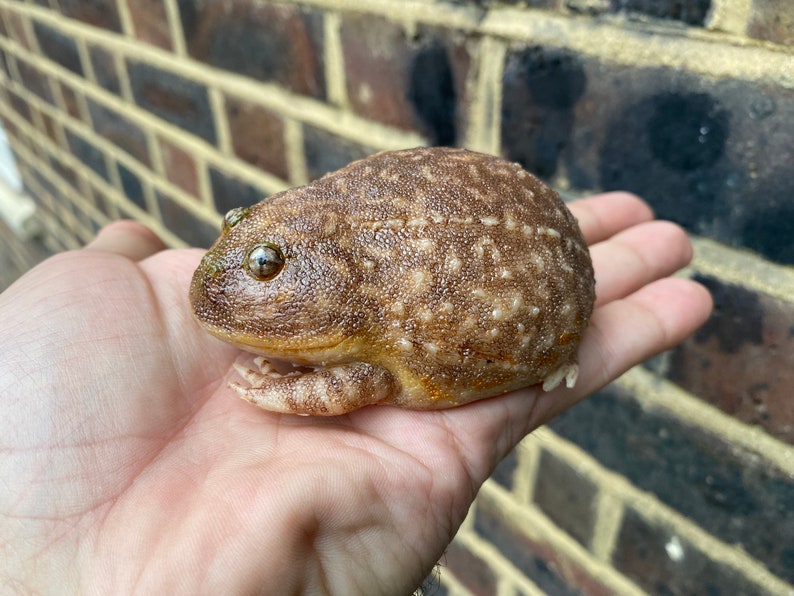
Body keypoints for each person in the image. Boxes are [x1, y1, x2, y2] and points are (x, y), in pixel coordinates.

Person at [0, 192, 711, 594]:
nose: (240, 270)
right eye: (243, 236)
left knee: (548, 327)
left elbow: (365, 380)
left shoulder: (359, 305)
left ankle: (551, 348)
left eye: (268, 265)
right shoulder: (330, 239)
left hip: (538, 293)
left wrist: (284, 392)